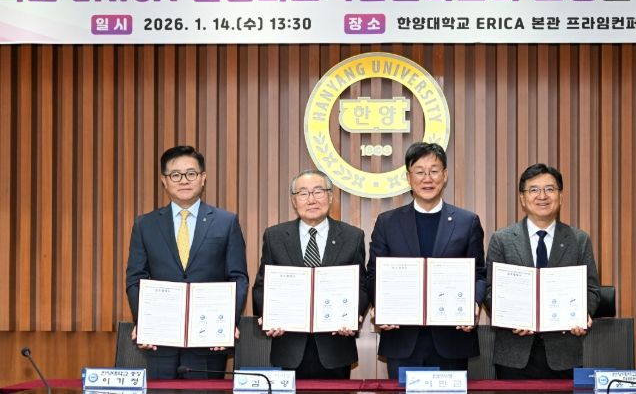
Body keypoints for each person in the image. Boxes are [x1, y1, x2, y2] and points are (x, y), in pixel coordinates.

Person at [125, 145, 249, 379]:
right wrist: (143, 321)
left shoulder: (226, 222)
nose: (184, 180)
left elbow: (238, 278)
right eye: (175, 175)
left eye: (191, 173)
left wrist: (226, 323)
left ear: (203, 178)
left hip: (209, 342)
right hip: (159, 341)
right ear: (164, 181)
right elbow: (135, 278)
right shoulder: (145, 224)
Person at [367, 142, 487, 379]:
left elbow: (479, 274)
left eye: (434, 171)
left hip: (452, 338)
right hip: (402, 337)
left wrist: (473, 303)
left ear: (445, 175)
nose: (427, 178)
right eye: (420, 172)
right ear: (408, 177)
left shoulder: (467, 222)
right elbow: (374, 274)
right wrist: (380, 305)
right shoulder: (387, 222)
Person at [485, 163, 600, 379]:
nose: (542, 196)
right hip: (513, 354)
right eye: (534, 190)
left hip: (564, 352)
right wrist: (510, 318)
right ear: (522, 198)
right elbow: (490, 290)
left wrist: (583, 313)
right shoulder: (502, 240)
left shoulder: (579, 240)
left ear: (560, 196)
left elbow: (592, 289)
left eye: (549, 189)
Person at [252, 170, 369, 379]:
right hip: (288, 345)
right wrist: (268, 317)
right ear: (294, 200)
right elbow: (262, 286)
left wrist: (353, 317)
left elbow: (361, 285)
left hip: (335, 347)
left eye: (318, 191)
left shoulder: (352, 236)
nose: (311, 199)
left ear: (330, 197)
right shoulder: (275, 236)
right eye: (303, 193)